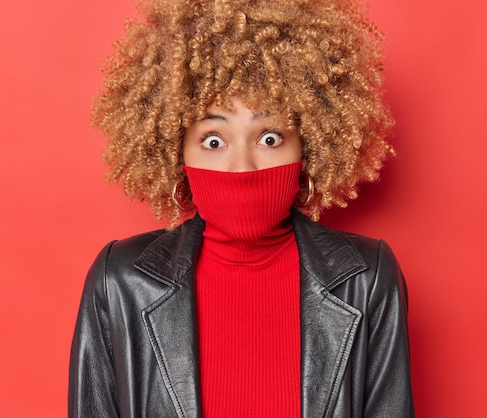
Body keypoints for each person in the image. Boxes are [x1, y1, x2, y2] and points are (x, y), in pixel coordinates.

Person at [69, 0, 414, 416]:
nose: (242, 167)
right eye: (214, 140)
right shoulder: (119, 281)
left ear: (309, 146)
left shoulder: (367, 278)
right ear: (176, 151)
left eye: (269, 138)